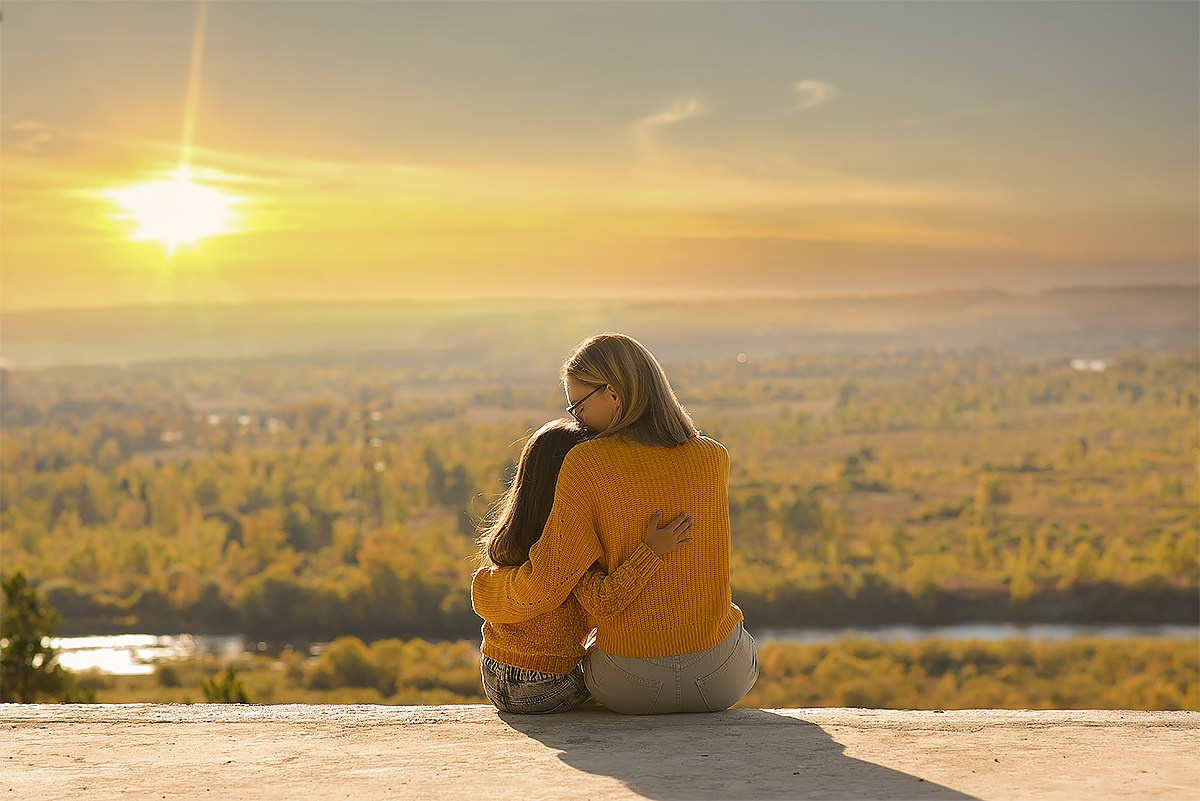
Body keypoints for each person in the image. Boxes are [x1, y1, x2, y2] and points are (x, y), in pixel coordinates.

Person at [472, 333, 758, 714]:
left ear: (612, 393)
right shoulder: (713, 457)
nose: (578, 419)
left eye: (579, 405)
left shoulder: (586, 462)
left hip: (631, 686)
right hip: (723, 679)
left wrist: (487, 589)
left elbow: (547, 584)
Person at [475, 417, 695, 714]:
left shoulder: (511, 540)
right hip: (546, 685)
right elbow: (605, 602)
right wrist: (650, 552)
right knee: (627, 676)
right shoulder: (569, 547)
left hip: (492, 675)